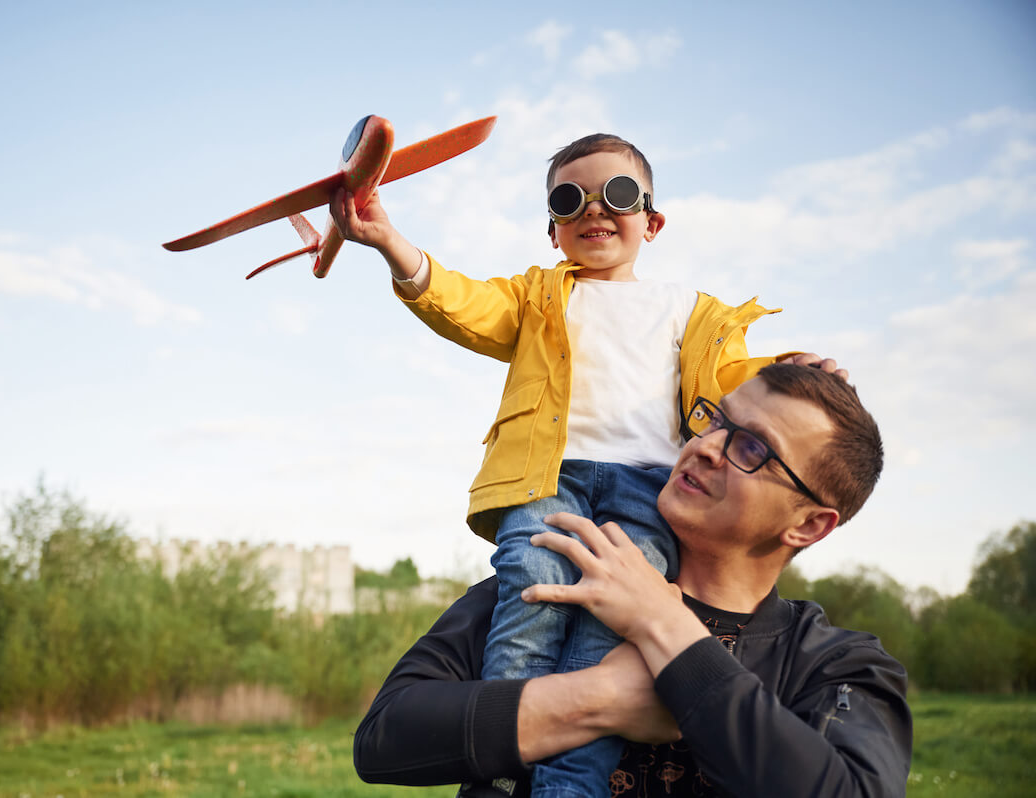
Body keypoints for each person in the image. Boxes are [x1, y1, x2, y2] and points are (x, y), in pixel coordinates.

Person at [333, 133, 825, 797]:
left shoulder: (691, 309)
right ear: (553, 229)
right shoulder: (538, 297)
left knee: (611, 623)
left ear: (651, 221)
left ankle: (570, 790)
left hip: (649, 490)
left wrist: (785, 369)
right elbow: (464, 303)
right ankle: (503, 773)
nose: (594, 209)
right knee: (532, 591)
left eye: (617, 195)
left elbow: (734, 380)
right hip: (548, 478)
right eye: (571, 200)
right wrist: (394, 243)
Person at [353, 363, 912, 797]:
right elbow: (384, 737)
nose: (704, 447)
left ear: (809, 524)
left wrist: (662, 622)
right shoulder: (562, 568)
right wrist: (594, 699)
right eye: (718, 420)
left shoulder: (834, 664)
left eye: (751, 448)